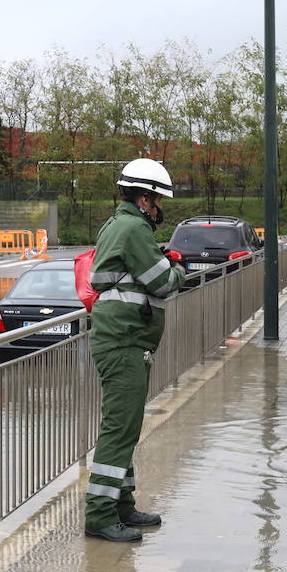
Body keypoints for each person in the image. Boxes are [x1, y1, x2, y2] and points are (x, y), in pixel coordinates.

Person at [85, 158, 186, 542]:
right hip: (123, 341)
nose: (161, 206)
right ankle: (99, 516)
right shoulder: (132, 228)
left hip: (123, 339)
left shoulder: (119, 224)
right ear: (145, 199)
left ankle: (122, 506)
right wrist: (177, 269)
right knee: (117, 430)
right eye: (158, 200)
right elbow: (163, 283)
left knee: (124, 429)